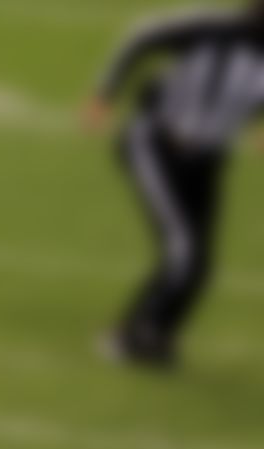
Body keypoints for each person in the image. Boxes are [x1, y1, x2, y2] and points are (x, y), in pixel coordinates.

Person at [86, 1, 264, 368]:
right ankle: (130, 337)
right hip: (156, 144)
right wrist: (105, 93)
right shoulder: (211, 29)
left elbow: (250, 92)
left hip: (209, 157)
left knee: (198, 262)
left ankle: (155, 334)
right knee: (185, 254)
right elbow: (142, 37)